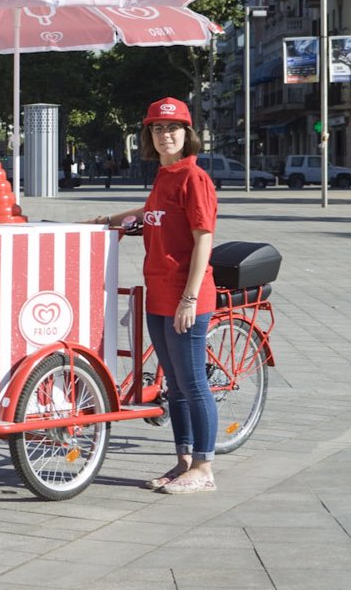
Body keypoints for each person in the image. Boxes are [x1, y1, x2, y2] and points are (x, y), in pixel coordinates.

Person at [88, 98, 218, 494]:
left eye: (174, 128)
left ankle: (205, 468)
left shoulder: (194, 179)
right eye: (158, 129)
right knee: (174, 386)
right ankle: (182, 462)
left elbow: (203, 241)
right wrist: (104, 221)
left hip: (185, 297)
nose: (166, 136)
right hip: (158, 294)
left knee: (193, 383)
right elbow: (149, 216)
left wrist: (189, 298)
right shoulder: (164, 177)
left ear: (188, 133)